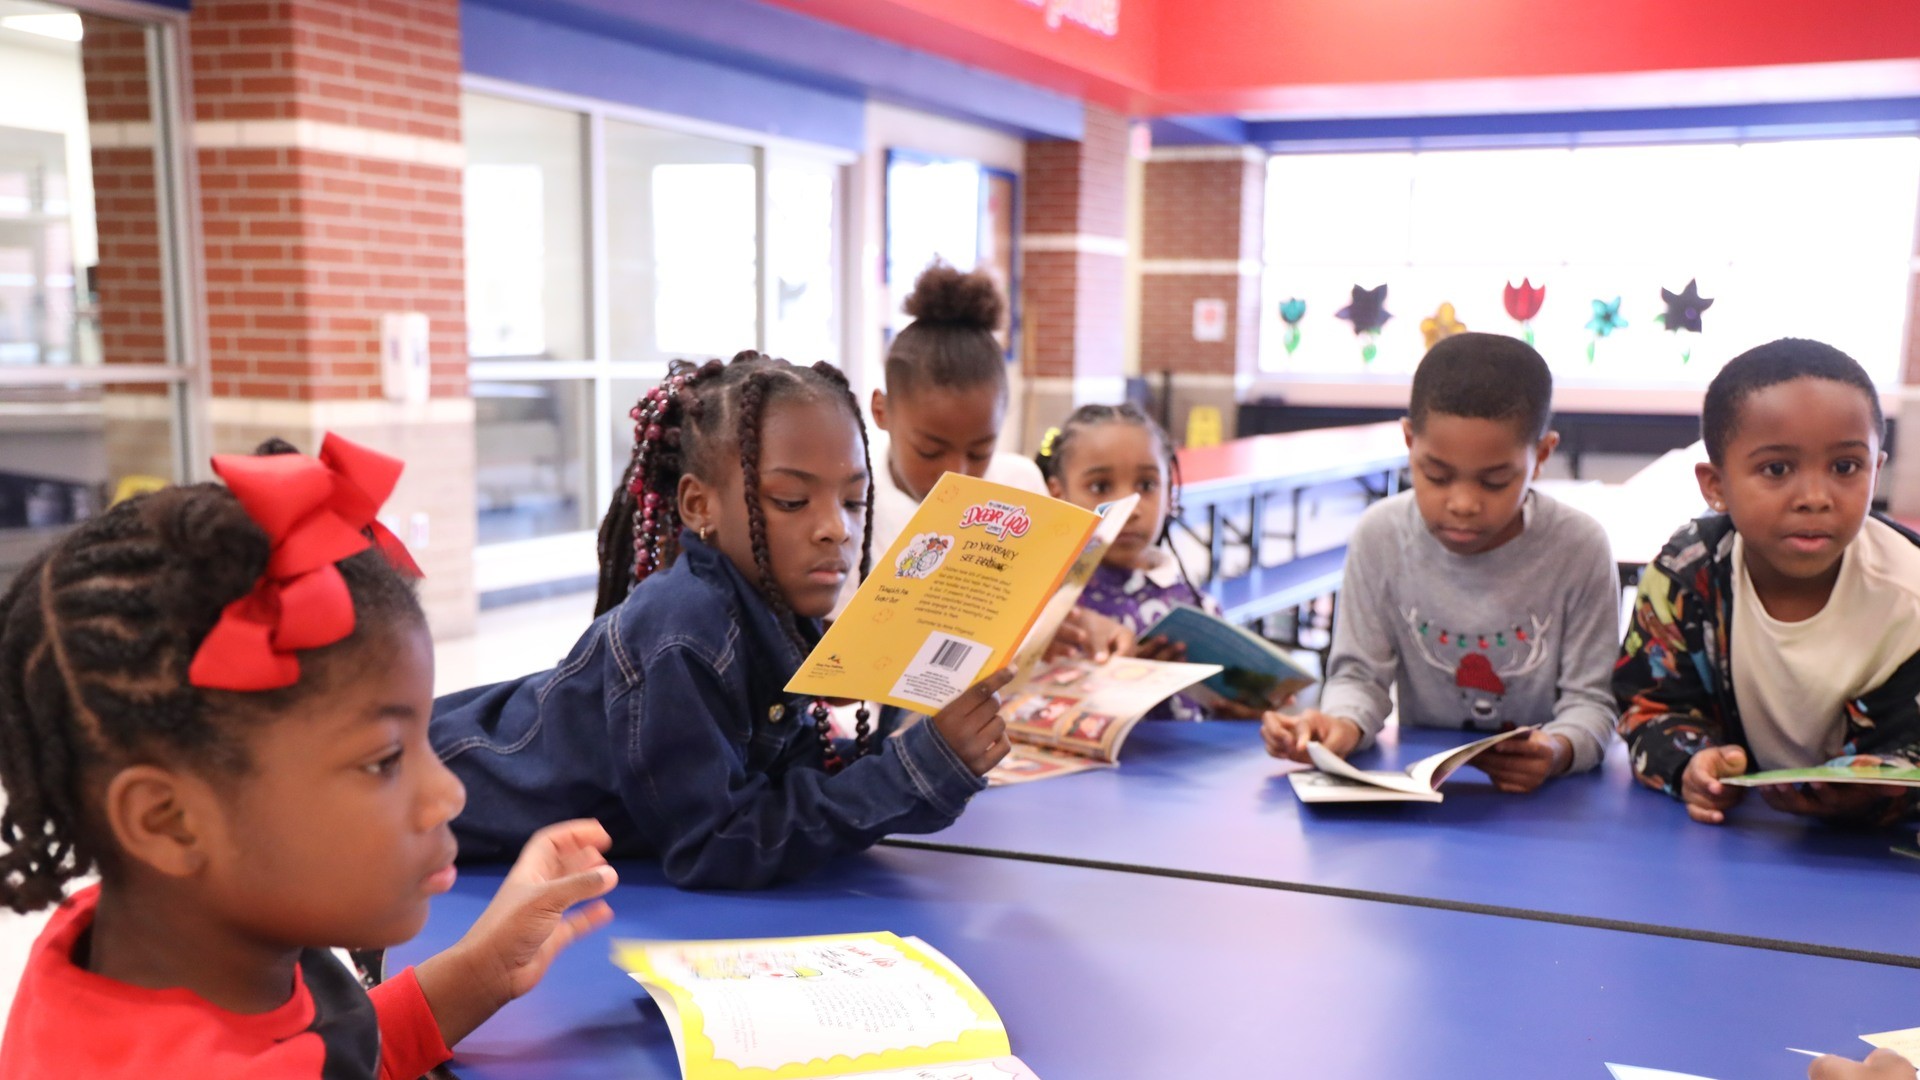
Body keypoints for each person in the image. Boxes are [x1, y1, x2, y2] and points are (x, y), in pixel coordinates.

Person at [0, 436, 615, 1078]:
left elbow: (320, 1055)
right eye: (383, 760)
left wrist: (484, 970)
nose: (449, 795)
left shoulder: (150, 938)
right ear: (168, 820)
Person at [434, 353, 1012, 889]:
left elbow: (784, 779)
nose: (835, 527)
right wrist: (919, 768)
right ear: (698, 505)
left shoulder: (777, 617)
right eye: (791, 500)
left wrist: (918, 726)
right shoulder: (682, 633)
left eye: (854, 502)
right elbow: (717, 843)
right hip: (425, 802)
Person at [1262, 332, 1617, 792]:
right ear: (1409, 441)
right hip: (1425, 792)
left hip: (1546, 803)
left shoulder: (1579, 548)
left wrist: (1558, 750)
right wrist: (1340, 726)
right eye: (1437, 475)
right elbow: (1359, 676)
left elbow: (1592, 702)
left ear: (1542, 455)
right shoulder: (1382, 537)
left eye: (1494, 481)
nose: (1463, 503)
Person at [1615, 338, 1920, 825]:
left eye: (1846, 467)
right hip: (1727, 846)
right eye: (1776, 469)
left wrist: (1881, 794)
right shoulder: (1684, 577)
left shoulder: (1912, 594)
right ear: (1716, 485)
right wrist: (1692, 764)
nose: (1815, 497)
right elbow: (1647, 707)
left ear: (1876, 470)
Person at [850, 261, 1127, 660]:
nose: (958, 473)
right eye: (930, 451)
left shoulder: (1020, 482)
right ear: (882, 411)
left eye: (980, 451)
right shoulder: (852, 506)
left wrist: (1080, 627)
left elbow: (1039, 608)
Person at [1034, 402, 1256, 720]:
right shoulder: (1049, 602)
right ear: (1058, 494)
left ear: (1170, 495)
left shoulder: (1193, 605)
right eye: (1100, 487)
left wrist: (1242, 705)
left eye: (1147, 486)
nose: (1131, 507)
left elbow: (1220, 710)